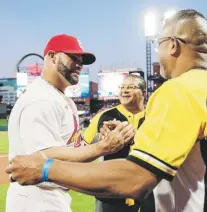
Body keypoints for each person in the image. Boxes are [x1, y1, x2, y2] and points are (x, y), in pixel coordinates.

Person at [7, 9, 207, 212]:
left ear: (173, 46)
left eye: (160, 44)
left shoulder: (179, 90)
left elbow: (135, 180)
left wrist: (46, 168)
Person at [6, 34, 134, 212]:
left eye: (81, 60)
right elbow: (44, 157)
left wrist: (99, 138)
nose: (79, 64)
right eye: (73, 57)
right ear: (52, 57)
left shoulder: (61, 98)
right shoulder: (40, 99)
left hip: (53, 196)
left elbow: (73, 149)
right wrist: (103, 147)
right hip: (36, 199)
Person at [83, 74, 155, 212]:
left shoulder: (153, 117)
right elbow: (83, 148)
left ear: (143, 93)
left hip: (148, 191)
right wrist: (100, 140)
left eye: (131, 87)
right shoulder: (104, 117)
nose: (125, 90)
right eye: (122, 87)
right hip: (111, 193)